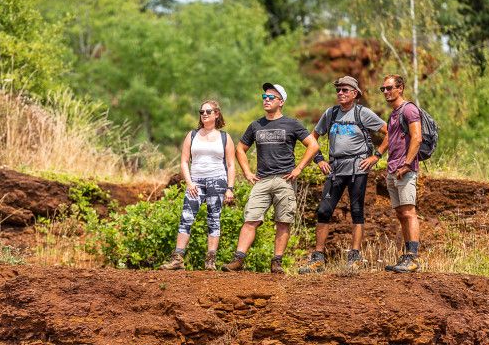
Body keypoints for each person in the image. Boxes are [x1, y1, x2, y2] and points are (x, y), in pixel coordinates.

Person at [222, 83, 319, 274]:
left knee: (283, 221)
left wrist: (299, 168)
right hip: (262, 180)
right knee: (251, 218)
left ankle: (277, 262)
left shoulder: (292, 124)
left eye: (271, 97)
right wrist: (247, 172)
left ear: (281, 102)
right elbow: (240, 148)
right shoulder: (256, 125)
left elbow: (313, 145)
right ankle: (238, 260)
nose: (266, 100)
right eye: (264, 97)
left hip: (285, 179)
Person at [299, 76, 388, 274]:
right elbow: (312, 138)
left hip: (358, 168)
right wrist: (319, 159)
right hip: (335, 168)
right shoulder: (330, 113)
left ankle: (354, 258)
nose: (340, 93)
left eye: (345, 90)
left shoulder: (362, 113)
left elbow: (389, 132)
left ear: (354, 93)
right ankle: (318, 259)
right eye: (338, 90)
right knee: (324, 211)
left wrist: (376, 156)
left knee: (356, 210)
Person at [159, 100, 236, 271]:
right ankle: (178, 259)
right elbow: (184, 161)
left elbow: (231, 165)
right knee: (186, 217)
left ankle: (210, 260)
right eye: (202, 112)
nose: (204, 114)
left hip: (217, 180)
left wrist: (230, 188)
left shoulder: (225, 137)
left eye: (208, 111)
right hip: (196, 182)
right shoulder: (192, 135)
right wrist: (189, 182)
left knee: (214, 219)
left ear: (217, 114)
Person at [380, 74, 422, 273]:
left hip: (405, 169)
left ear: (400, 88)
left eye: (389, 88)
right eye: (383, 89)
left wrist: (406, 164)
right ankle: (407, 255)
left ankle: (413, 257)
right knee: (401, 214)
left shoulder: (409, 109)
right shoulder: (394, 113)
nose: (386, 92)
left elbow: (417, 137)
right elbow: (391, 138)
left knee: (409, 212)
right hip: (393, 169)